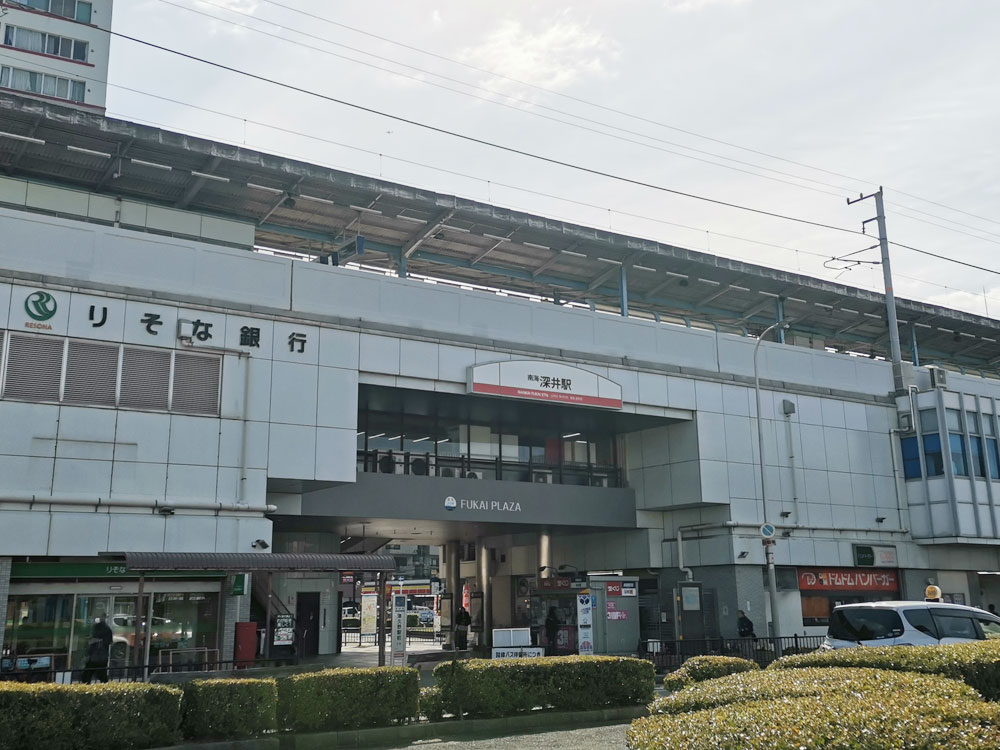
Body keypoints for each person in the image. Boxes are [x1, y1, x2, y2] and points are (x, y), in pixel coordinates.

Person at [81, 616, 113, 684]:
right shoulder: (96, 628)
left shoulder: (106, 629)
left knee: (100, 675)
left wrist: (96, 641)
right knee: (88, 676)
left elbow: (108, 641)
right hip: (95, 657)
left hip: (100, 657)